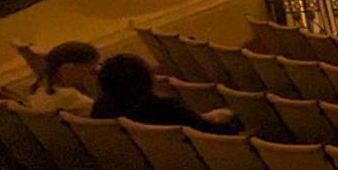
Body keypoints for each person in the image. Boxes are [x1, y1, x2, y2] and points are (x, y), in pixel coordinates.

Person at [89, 51, 235, 130]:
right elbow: (206, 132)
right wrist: (223, 118)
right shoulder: (165, 107)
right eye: (151, 73)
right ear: (144, 80)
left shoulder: (101, 107)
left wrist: (204, 117)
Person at [20, 40, 100, 114]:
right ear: (68, 69)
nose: (93, 76)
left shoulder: (39, 90)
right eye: (92, 71)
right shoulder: (74, 99)